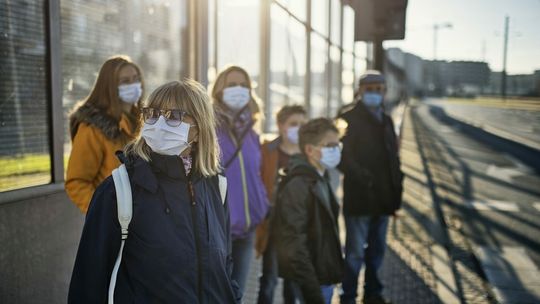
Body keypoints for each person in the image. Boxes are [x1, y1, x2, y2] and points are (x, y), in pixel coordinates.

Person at [68, 79, 241, 303]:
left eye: (174, 116)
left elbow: (224, 263)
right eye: (152, 113)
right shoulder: (120, 189)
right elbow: (88, 282)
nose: (159, 123)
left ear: (199, 130)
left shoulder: (216, 185)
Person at [338, 70, 403, 304]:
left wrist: (396, 196)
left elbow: (393, 159)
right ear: (360, 91)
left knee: (377, 250)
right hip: (360, 198)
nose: (374, 93)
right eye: (369, 89)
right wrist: (363, 178)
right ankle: (348, 295)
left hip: (384, 199)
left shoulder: (386, 120)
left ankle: (372, 292)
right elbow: (342, 158)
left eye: (379, 89)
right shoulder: (348, 118)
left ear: (385, 91)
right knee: (354, 252)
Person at [211, 65, 270, 294]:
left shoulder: (252, 132)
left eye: (244, 85)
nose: (239, 89)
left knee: (238, 294)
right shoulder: (209, 130)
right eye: (232, 85)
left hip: (247, 230)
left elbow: (255, 174)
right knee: (218, 294)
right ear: (219, 90)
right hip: (220, 232)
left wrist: (262, 206)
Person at [274, 118, 344, 304]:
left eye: (338, 145)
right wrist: (313, 294)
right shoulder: (299, 185)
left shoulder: (320, 176)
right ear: (310, 150)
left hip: (322, 277)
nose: (336, 150)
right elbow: (295, 244)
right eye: (330, 145)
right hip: (312, 282)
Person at [65, 55, 144, 213]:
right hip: (114, 224)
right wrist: (105, 213)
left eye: (136, 79)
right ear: (110, 86)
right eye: (125, 81)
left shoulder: (143, 121)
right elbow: (77, 182)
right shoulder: (93, 128)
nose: (133, 85)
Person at [256, 105, 307, 304]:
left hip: (298, 229)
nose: (299, 128)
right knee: (269, 278)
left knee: (293, 283)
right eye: (294, 124)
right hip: (274, 227)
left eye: (303, 124)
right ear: (281, 126)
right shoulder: (267, 150)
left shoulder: (308, 154)